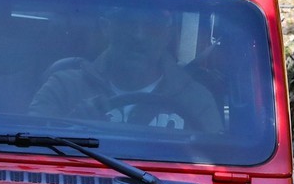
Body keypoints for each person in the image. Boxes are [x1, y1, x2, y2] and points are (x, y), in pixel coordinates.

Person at [29, 8, 222, 133]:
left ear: (168, 34)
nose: (139, 35)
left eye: (152, 24)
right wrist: (72, 125)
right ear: (107, 27)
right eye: (127, 22)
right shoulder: (64, 88)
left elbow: (213, 164)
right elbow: (30, 149)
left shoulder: (196, 101)